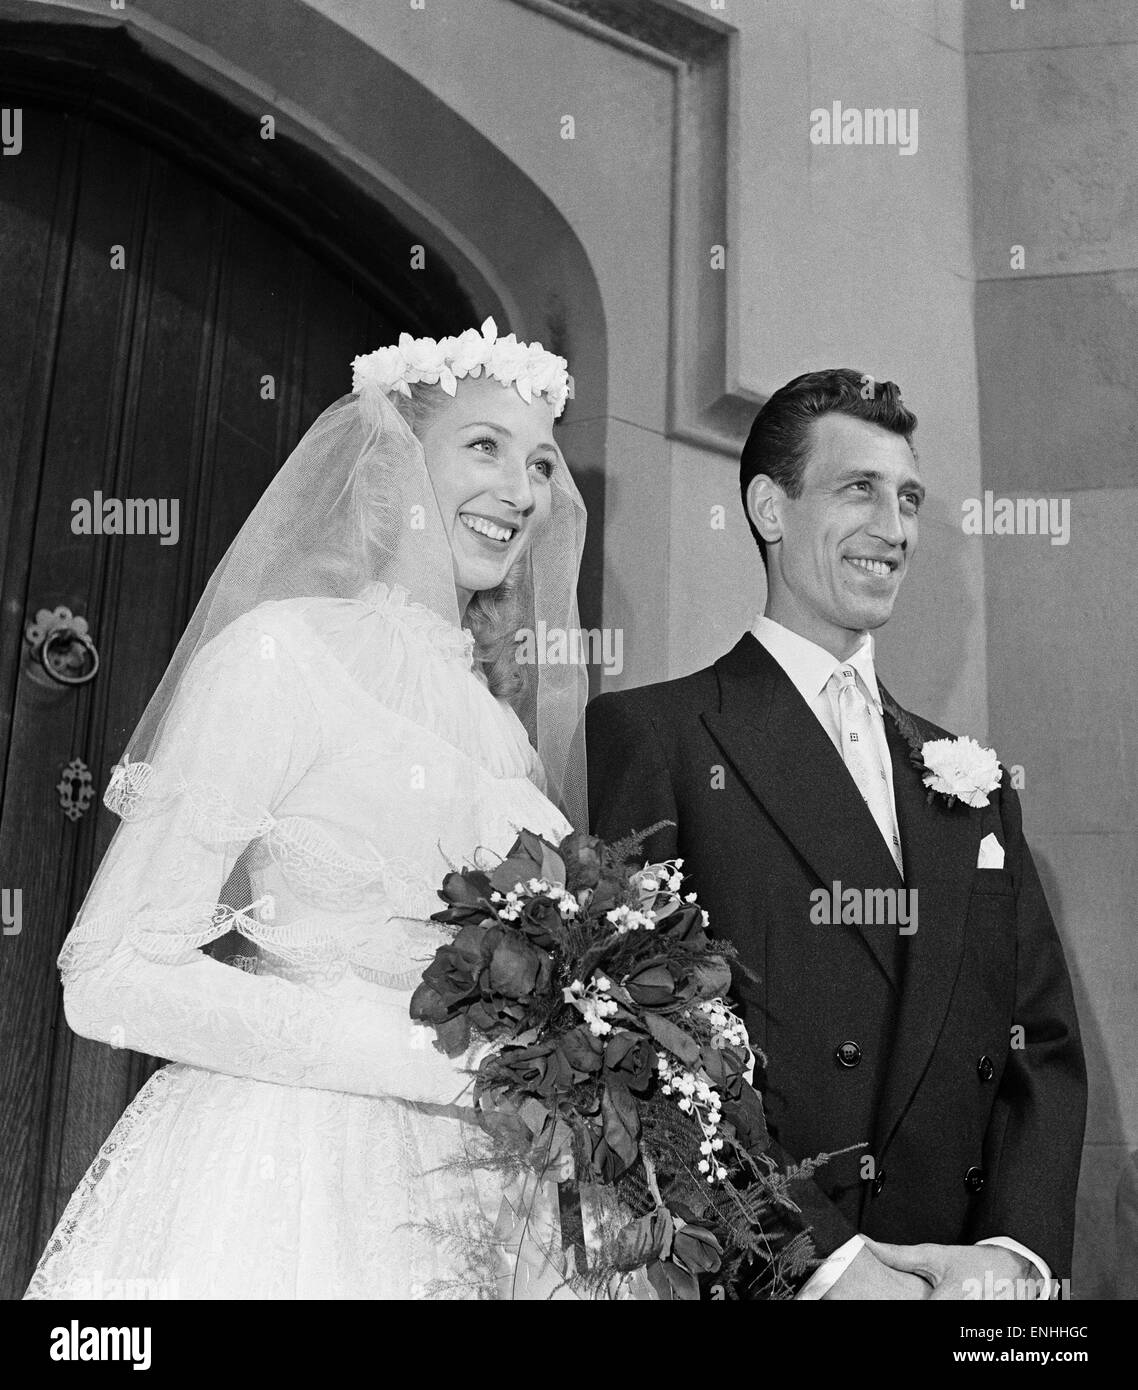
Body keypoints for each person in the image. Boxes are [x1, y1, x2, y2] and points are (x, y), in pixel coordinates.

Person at [24, 319, 592, 1300]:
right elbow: (109, 972)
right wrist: (436, 1067)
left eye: (540, 462)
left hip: (484, 1205)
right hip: (283, 1176)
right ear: (392, 462)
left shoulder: (509, 745)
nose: (522, 490)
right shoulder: (280, 657)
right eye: (485, 448)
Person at [587, 369, 1087, 1299]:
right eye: (858, 489)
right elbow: (647, 1041)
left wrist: (1011, 1257)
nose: (894, 530)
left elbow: (1040, 1043)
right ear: (770, 510)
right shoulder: (658, 735)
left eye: (907, 500)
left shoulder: (972, 782)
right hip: (780, 1276)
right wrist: (827, 1263)